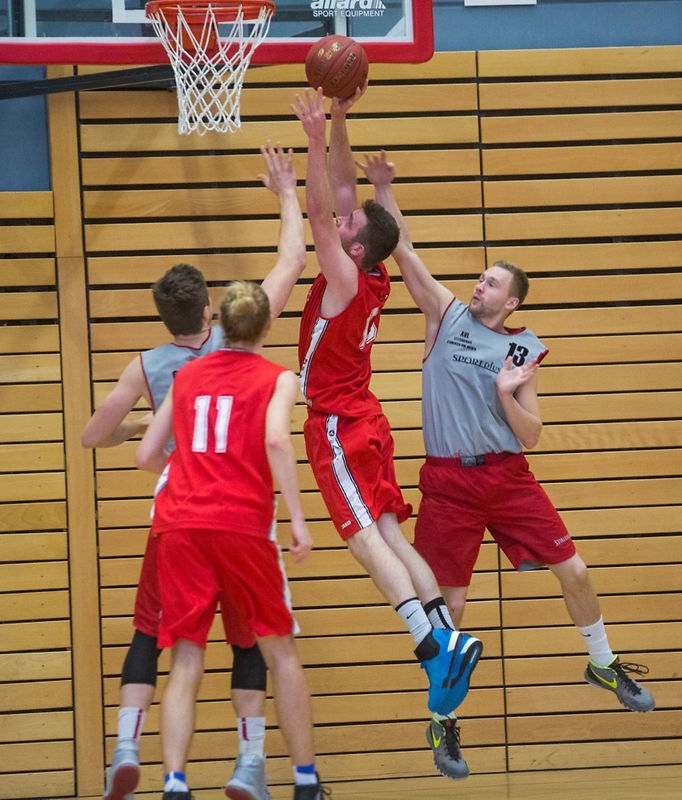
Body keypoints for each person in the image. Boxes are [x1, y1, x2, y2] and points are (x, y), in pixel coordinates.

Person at [357, 148, 657, 781]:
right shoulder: (445, 317)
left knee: (575, 570)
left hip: (507, 476)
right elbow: (403, 249)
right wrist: (383, 188)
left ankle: (602, 662)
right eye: (480, 277)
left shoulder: (522, 352)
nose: (479, 285)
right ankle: (442, 722)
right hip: (448, 483)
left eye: (492, 283)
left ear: (512, 302)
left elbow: (533, 434)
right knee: (451, 610)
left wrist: (505, 394)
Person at [82, 144, 307, 800]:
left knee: (160, 634)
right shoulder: (237, 342)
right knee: (252, 637)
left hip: (175, 505)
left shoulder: (152, 367)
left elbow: (95, 436)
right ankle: (253, 761)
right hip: (237, 507)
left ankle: (142, 756)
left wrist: (141, 426)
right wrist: (285, 193)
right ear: (212, 309)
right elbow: (291, 260)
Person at [292, 86, 482, 720]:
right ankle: (448, 636)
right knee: (394, 536)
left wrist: (314, 140)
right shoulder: (372, 271)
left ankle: (431, 648)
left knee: (364, 541)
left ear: (353, 247)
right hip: (367, 418)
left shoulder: (345, 278)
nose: (342, 214)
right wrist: (339, 120)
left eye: (348, 224)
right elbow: (344, 197)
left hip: (338, 426)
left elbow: (321, 213)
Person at [135, 281, 325, 800]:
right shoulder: (278, 378)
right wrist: (299, 519)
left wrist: (190, 470)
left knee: (185, 657)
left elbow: (147, 454)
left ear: (219, 323)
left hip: (180, 524)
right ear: (266, 326)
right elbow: (275, 439)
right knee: (279, 650)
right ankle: (305, 781)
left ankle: (175, 783)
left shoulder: (188, 376)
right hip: (240, 523)